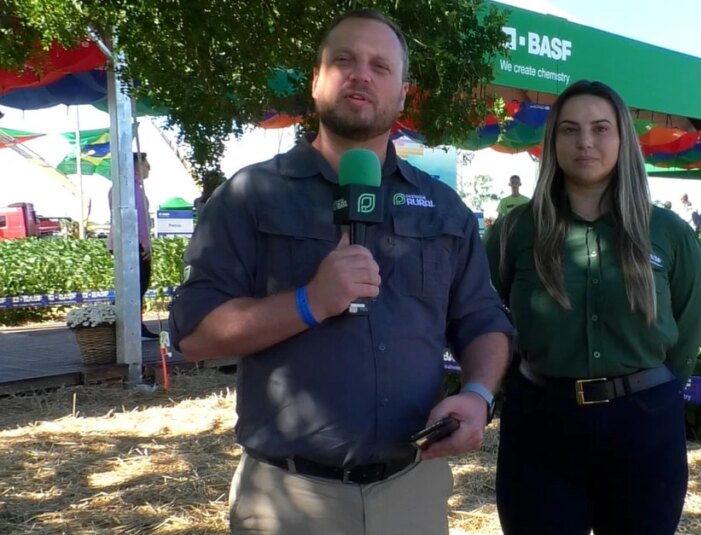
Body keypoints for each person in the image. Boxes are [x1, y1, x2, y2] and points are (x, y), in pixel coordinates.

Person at [168, 10, 513, 535]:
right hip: (287, 500)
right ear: (316, 81)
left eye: (380, 66)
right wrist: (309, 301)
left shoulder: (444, 209)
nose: (361, 74)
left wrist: (479, 395)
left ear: (401, 95)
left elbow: (483, 318)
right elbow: (193, 335)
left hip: (413, 491)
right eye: (344, 61)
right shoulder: (249, 195)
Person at [484, 80, 701, 535]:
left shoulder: (668, 232)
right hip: (540, 428)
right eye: (569, 130)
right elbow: (486, 318)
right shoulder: (514, 233)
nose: (585, 141)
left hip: (645, 430)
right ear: (552, 143)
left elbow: (686, 330)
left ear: (622, 138)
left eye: (600, 128)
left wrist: (655, 392)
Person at [108, 151, 158, 340]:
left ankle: (129, 326)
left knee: (131, 286)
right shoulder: (132, 188)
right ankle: (132, 327)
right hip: (132, 242)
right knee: (137, 286)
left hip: (122, 241)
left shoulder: (120, 187)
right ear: (136, 166)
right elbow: (136, 218)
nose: (149, 168)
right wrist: (145, 243)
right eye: (146, 164)